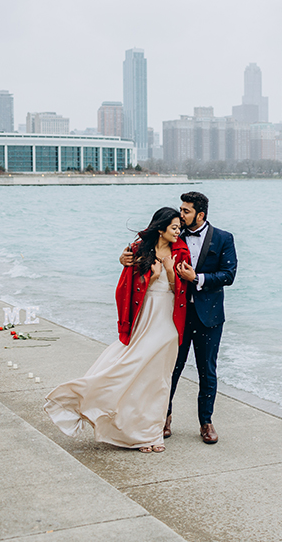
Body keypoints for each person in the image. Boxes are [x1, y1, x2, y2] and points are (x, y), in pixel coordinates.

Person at [45, 207, 190, 453]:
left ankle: (153, 434)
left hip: (169, 321)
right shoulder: (137, 251)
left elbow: (181, 293)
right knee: (133, 370)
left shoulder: (181, 251)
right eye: (174, 227)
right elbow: (125, 287)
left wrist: (168, 272)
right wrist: (152, 278)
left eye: (179, 228)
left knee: (159, 380)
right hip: (145, 318)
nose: (178, 232)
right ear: (161, 228)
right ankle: (124, 425)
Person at [120, 191, 237, 444]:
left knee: (208, 371)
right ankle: (164, 416)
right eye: (180, 209)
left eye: (186, 211)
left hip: (210, 316)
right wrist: (124, 257)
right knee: (170, 368)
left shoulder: (224, 238)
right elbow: (145, 246)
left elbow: (228, 275)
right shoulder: (173, 233)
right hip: (175, 314)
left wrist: (197, 278)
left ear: (200, 214)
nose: (181, 214)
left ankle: (206, 423)